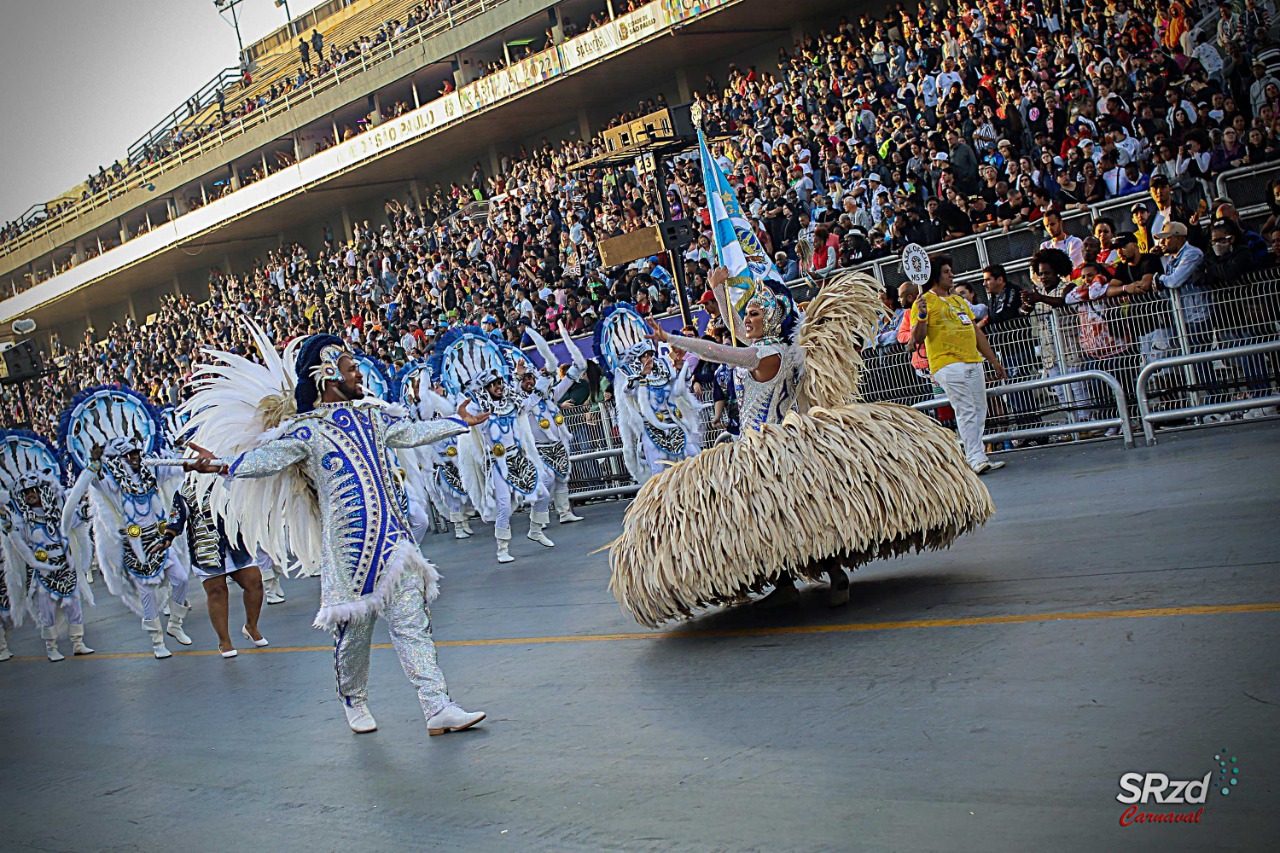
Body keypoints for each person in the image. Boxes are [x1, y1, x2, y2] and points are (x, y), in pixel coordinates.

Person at [187, 327, 488, 736]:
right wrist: (222, 464)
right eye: (351, 368)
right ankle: (354, 698)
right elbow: (266, 458)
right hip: (348, 553)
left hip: (394, 541)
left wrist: (457, 422)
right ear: (328, 375)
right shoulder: (306, 431)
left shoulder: (373, 416)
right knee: (354, 637)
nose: (359, 374)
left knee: (412, 624)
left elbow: (411, 434)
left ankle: (437, 707)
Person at [62, 390, 196, 659]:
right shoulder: (111, 483)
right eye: (129, 455)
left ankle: (175, 624)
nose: (135, 457)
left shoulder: (151, 469)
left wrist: (198, 464)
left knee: (181, 579)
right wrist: (93, 464)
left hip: (160, 541)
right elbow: (83, 488)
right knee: (147, 596)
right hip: (136, 547)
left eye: (136, 452)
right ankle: (157, 641)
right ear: (119, 459)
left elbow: (178, 467)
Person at [909, 254, 1008, 474]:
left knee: (979, 409)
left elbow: (975, 331)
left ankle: (978, 455)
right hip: (947, 363)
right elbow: (917, 338)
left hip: (972, 359)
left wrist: (992, 360)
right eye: (946, 272)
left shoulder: (958, 300)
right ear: (935, 275)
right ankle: (973, 459)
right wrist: (923, 315)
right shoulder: (923, 301)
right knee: (966, 409)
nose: (951, 275)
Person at [1, 470, 95, 661]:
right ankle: (51, 646)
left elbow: (77, 519)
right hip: (43, 575)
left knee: (74, 607)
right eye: (26, 492)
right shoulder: (24, 520)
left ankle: (78, 642)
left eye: (33, 490)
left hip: (66, 569)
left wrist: (86, 508)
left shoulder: (58, 513)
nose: (30, 495)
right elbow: (16, 539)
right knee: (47, 611)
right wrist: (7, 522)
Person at [178, 475, 267, 659]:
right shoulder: (185, 488)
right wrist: (167, 536)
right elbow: (177, 517)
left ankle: (251, 625)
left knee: (254, 581)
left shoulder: (230, 477)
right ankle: (224, 641)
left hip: (236, 543)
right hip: (207, 547)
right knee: (217, 591)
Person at [518, 326, 588, 526]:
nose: (530, 383)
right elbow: (517, 398)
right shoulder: (521, 403)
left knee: (562, 479)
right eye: (526, 381)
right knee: (546, 480)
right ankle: (539, 516)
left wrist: (567, 341)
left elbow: (570, 378)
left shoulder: (550, 396)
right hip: (538, 449)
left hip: (557, 445)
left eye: (531, 379)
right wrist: (518, 376)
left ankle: (564, 512)